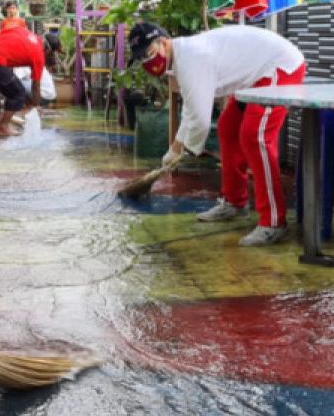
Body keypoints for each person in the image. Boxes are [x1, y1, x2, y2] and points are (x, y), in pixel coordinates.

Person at [129, 21, 306, 247]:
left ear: (163, 43)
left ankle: (273, 222)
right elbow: (192, 109)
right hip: (255, 74)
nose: (147, 62)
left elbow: (201, 120)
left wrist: (181, 151)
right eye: (142, 58)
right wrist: (176, 146)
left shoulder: (192, 58)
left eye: (149, 54)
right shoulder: (183, 59)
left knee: (255, 137)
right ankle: (234, 202)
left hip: (280, 66)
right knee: (228, 128)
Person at [0, 25, 44, 138]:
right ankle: (3, 127)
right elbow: (36, 85)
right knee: (18, 93)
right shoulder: (39, 55)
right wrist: (36, 105)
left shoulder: (24, 31)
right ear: (47, 49)